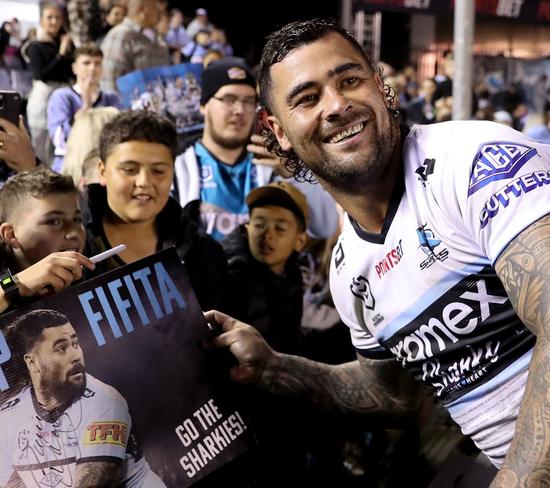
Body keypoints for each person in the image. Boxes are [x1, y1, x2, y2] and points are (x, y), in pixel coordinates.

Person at [207, 19, 550, 487]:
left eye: (350, 80)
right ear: (277, 130)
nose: (337, 105)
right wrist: (274, 367)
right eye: (308, 98)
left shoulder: (475, 159)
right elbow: (393, 397)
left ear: (380, 85)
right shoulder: (347, 271)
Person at [174, 59, 338, 241]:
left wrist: (292, 175)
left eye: (249, 101)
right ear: (203, 106)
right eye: (229, 99)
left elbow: (325, 226)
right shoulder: (178, 168)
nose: (239, 110)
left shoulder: (274, 164)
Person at [0, 309, 165, 487]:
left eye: (76, 344)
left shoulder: (105, 401)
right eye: (61, 348)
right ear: (32, 362)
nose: (76, 355)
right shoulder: (8, 416)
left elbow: (93, 481)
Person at [84, 109, 227, 311]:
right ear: (102, 171)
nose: (144, 182)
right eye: (130, 170)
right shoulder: (70, 243)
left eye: (158, 171)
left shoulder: (203, 254)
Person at [221, 181, 308, 353]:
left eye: (280, 228)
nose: (267, 235)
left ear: (300, 241)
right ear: (247, 229)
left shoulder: (292, 275)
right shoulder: (230, 273)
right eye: (259, 225)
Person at [0, 168, 95, 314]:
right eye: (54, 221)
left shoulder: (92, 264)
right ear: (11, 234)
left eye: (77, 220)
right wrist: (15, 285)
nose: (74, 232)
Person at [47, 43, 121, 172]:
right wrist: (86, 107)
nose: (92, 68)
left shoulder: (111, 98)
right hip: (68, 165)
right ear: (75, 68)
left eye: (97, 63)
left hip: (103, 164)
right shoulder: (62, 97)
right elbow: (59, 140)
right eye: (86, 63)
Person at [23, 1, 75, 165]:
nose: (53, 21)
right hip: (42, 102)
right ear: (41, 20)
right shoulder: (34, 46)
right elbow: (41, 75)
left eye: (57, 18)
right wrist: (60, 55)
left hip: (63, 100)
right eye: (49, 17)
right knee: (41, 149)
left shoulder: (66, 45)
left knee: (60, 146)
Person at [100, 0, 169, 92]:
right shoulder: (120, 36)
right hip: (130, 105)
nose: (160, 11)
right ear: (142, 9)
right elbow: (109, 83)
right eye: (156, 6)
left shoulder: (155, 36)